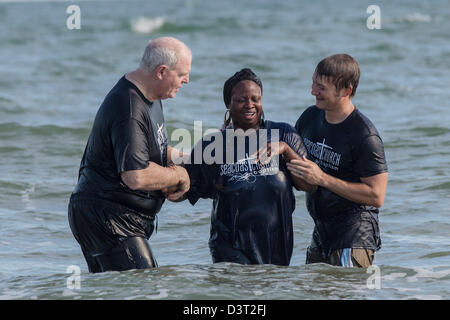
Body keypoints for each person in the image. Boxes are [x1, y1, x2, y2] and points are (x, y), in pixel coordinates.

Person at [68, 37, 192, 273]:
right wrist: (179, 177)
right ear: (162, 71)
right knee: (145, 289)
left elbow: (154, 151)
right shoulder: (129, 107)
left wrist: (198, 160)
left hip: (112, 216)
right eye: (182, 74)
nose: (187, 80)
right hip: (108, 217)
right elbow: (135, 175)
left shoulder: (150, 96)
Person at [169, 68, 314, 266]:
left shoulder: (282, 133)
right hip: (229, 249)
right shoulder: (213, 144)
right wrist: (167, 182)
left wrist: (287, 150)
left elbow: (309, 185)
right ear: (228, 104)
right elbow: (185, 188)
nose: (250, 105)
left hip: (276, 247)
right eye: (241, 100)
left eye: (256, 99)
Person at [287, 54, 388, 268]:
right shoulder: (310, 117)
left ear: (346, 91)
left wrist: (322, 178)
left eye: (321, 87)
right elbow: (292, 158)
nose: (313, 91)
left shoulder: (363, 134)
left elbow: (377, 195)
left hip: (353, 237)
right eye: (313, 83)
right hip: (321, 234)